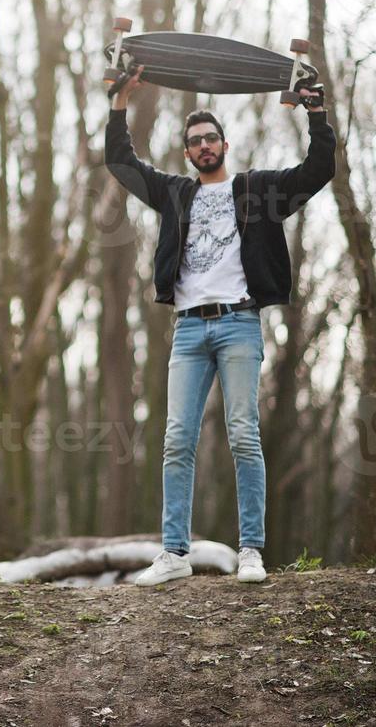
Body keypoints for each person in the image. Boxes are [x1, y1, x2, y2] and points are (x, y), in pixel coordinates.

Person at [104, 73, 335, 584]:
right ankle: (174, 554)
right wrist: (119, 103)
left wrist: (316, 114)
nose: (203, 145)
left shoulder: (258, 189)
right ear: (187, 153)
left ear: (224, 145)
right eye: (194, 141)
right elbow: (121, 162)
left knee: (243, 436)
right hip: (187, 331)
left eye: (211, 138)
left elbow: (318, 169)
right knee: (176, 440)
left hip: (238, 324)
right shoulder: (175, 195)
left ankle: (250, 550)